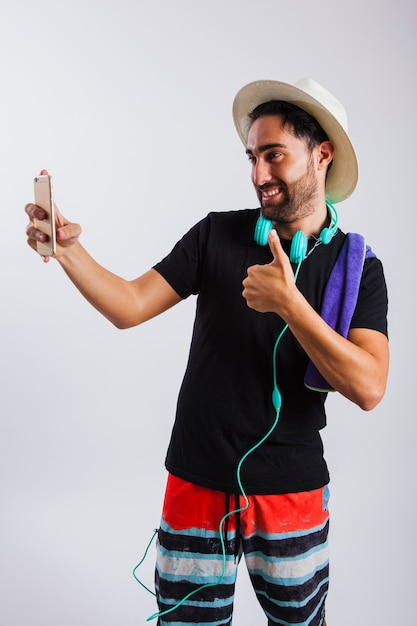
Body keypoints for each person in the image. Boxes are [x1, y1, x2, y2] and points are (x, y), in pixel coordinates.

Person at [25, 78, 389, 626]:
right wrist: (70, 251)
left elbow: (369, 387)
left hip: (292, 491)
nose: (258, 175)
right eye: (252, 157)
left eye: (274, 156)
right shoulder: (216, 235)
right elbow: (128, 305)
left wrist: (290, 304)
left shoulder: (359, 269)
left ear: (321, 156)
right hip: (196, 482)